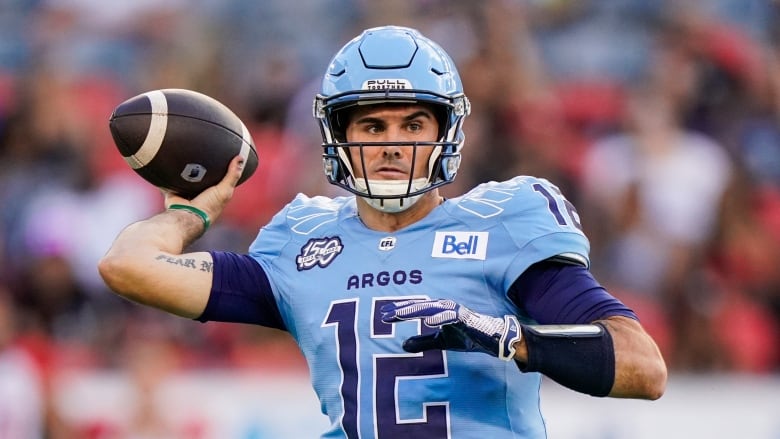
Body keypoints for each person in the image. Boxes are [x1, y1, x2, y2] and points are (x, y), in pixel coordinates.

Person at [99, 25, 667, 438]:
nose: (393, 142)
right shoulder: (302, 241)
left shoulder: (505, 221)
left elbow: (644, 368)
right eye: (372, 124)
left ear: (447, 131)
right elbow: (127, 268)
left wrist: (504, 336)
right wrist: (189, 215)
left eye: (413, 123)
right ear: (338, 138)